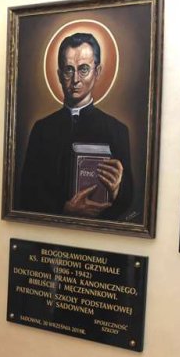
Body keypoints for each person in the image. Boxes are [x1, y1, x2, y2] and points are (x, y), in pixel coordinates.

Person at [19, 32, 133, 219]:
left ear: (97, 72)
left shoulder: (117, 130)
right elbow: (26, 194)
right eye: (69, 70)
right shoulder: (42, 130)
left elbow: (129, 202)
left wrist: (117, 189)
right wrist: (63, 210)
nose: (75, 80)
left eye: (84, 69)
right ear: (59, 75)